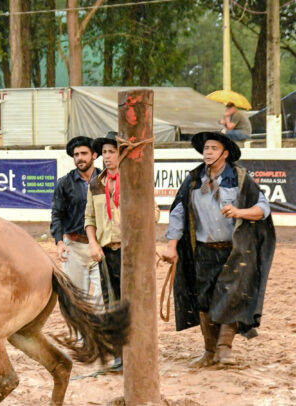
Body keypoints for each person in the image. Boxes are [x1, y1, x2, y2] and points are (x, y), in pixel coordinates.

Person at [161, 131, 275, 367]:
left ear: (225, 153)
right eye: (206, 149)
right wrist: (172, 246)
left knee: (231, 297)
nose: (208, 152)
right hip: (202, 251)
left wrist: (239, 212)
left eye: (213, 148)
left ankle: (224, 350)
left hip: (235, 252)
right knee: (203, 300)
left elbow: (263, 208)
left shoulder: (241, 178)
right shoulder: (193, 180)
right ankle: (209, 351)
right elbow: (178, 213)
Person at [84, 132, 161, 371]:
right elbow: (89, 217)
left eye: (112, 152)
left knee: (135, 301)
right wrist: (93, 243)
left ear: (121, 154)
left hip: (132, 254)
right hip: (107, 252)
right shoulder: (96, 183)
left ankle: (139, 351)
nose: (107, 157)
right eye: (104, 152)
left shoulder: (135, 179)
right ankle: (119, 355)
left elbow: (155, 214)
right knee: (112, 305)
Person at [51, 136, 102, 309]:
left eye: (84, 153)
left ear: (94, 155)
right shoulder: (64, 183)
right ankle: (82, 336)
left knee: (105, 295)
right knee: (77, 299)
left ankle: (97, 332)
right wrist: (59, 242)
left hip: (101, 246)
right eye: (76, 155)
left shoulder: (105, 180)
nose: (79, 158)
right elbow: (56, 214)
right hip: (74, 246)